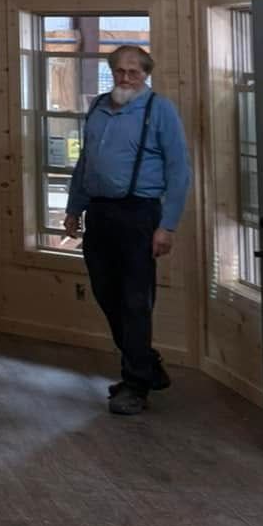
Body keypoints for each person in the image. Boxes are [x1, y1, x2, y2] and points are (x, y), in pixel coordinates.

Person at [62, 44, 190, 416]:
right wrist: (74, 208)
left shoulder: (159, 109)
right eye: (120, 70)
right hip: (100, 213)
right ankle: (145, 364)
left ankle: (135, 384)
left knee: (135, 300)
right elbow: (86, 161)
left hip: (139, 214)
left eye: (134, 71)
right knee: (106, 293)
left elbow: (179, 170)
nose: (126, 77)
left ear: (146, 75)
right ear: (111, 72)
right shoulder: (99, 106)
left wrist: (167, 226)